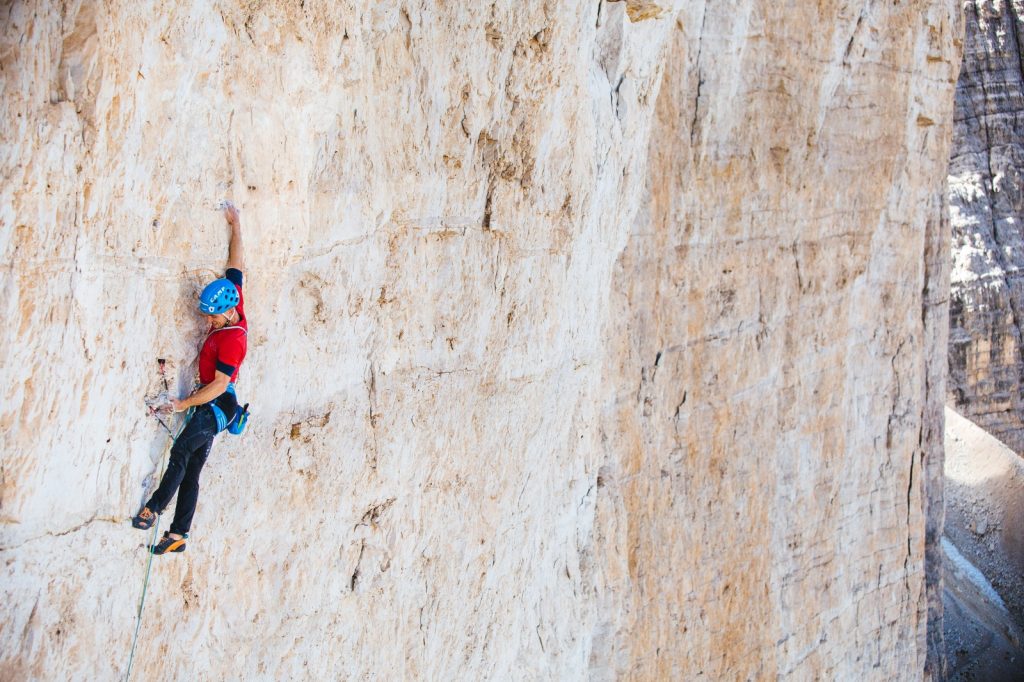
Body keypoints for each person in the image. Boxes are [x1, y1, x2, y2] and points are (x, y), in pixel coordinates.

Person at [132, 203, 249, 555]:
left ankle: (153, 510)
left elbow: (217, 385)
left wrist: (182, 403)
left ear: (226, 313)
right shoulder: (235, 301)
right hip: (217, 408)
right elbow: (236, 265)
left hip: (215, 405)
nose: (208, 322)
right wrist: (236, 226)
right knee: (193, 470)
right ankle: (179, 534)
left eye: (211, 317)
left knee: (182, 453)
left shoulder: (232, 339)